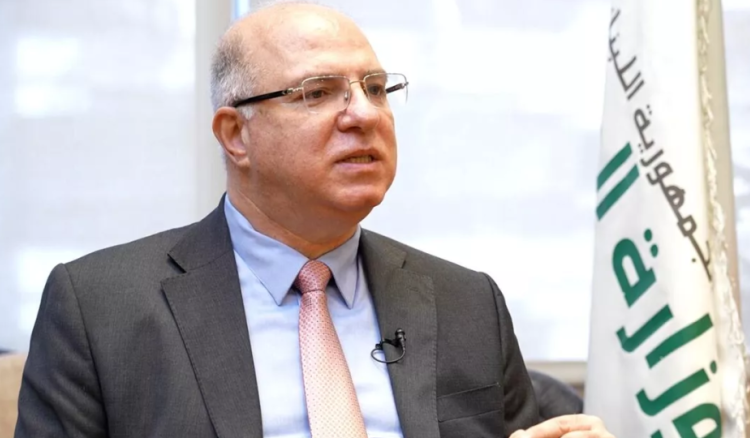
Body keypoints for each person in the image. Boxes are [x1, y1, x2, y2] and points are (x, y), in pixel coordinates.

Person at [15, 3, 614, 438]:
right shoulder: (100, 310)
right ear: (235, 135)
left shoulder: (466, 302)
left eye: (376, 88)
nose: (364, 114)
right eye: (317, 92)